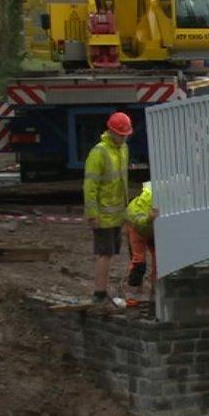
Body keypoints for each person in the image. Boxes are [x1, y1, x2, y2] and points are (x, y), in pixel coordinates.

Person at [84, 112, 132, 305]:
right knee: (103, 253)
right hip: (103, 214)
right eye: (121, 134)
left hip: (116, 213)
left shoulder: (122, 149)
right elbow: (90, 186)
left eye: (125, 134)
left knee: (110, 253)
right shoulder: (100, 152)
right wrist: (92, 214)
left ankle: (103, 291)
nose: (123, 137)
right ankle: (99, 293)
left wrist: (125, 212)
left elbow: (122, 182)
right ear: (111, 132)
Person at [124, 182, 159, 302]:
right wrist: (148, 219)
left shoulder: (156, 197)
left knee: (159, 263)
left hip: (151, 228)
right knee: (139, 264)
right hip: (136, 228)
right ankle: (132, 297)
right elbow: (138, 221)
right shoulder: (144, 203)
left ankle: (156, 295)